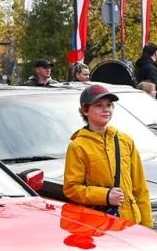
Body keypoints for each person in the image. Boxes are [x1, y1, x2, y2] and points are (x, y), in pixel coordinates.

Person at [63, 84, 151, 225]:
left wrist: (147, 227)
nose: (106, 110)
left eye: (109, 105)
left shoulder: (125, 140)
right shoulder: (78, 146)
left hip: (131, 224)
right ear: (85, 110)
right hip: (100, 227)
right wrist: (105, 196)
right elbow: (72, 189)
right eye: (99, 105)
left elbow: (140, 187)